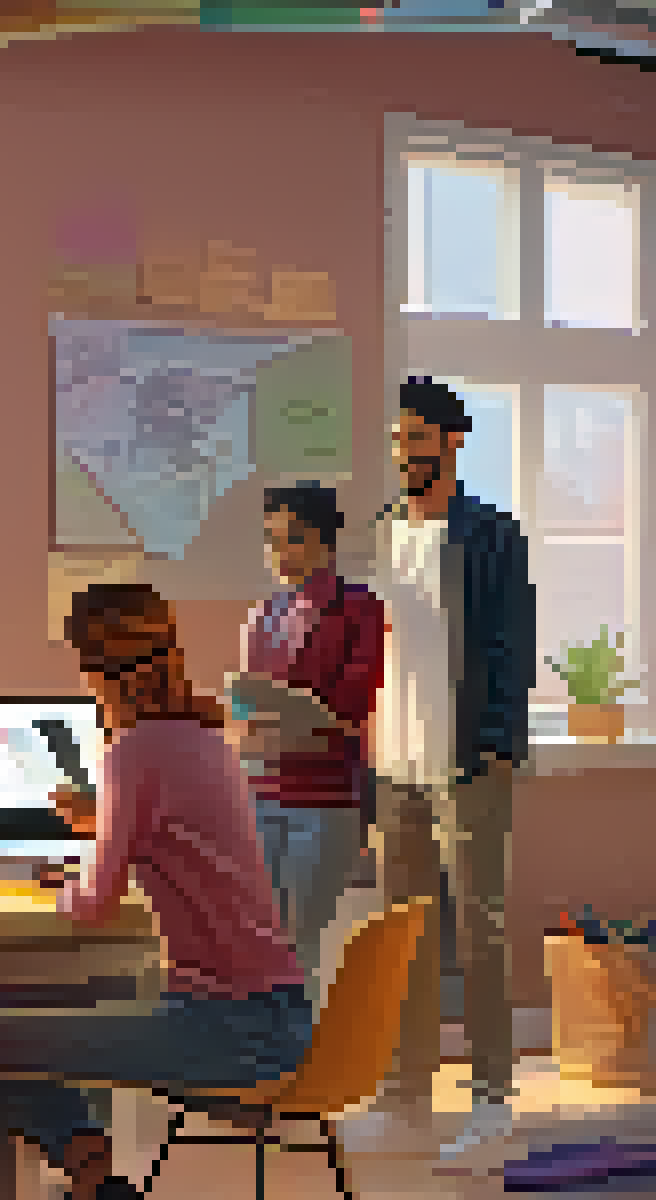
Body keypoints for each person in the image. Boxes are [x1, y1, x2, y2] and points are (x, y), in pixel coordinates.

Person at [0, 583, 311, 1200]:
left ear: (90, 668)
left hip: (225, 1032)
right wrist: (107, 826)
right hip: (285, 1018)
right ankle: (93, 1176)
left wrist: (40, 889)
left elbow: (93, 905)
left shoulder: (130, 753)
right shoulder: (210, 742)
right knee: (72, 996)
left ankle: (87, 1164)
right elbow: (181, 844)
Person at [353, 377, 535, 1160]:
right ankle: (404, 1091)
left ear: (453, 442)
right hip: (393, 768)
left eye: (418, 437)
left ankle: (492, 1092)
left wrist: (496, 745)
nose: (404, 451)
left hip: (465, 765)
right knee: (407, 935)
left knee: (480, 932)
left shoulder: (493, 536)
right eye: (397, 438)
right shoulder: (378, 534)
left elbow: (511, 647)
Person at [236, 482, 386, 974]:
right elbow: (248, 706)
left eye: (293, 537)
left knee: (304, 945)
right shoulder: (264, 614)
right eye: (270, 538)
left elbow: (353, 702)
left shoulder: (359, 608)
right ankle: (268, 1049)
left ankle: (306, 1051)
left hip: (324, 800)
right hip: (260, 792)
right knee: (260, 942)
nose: (279, 552)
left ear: (326, 542)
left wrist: (296, 716)